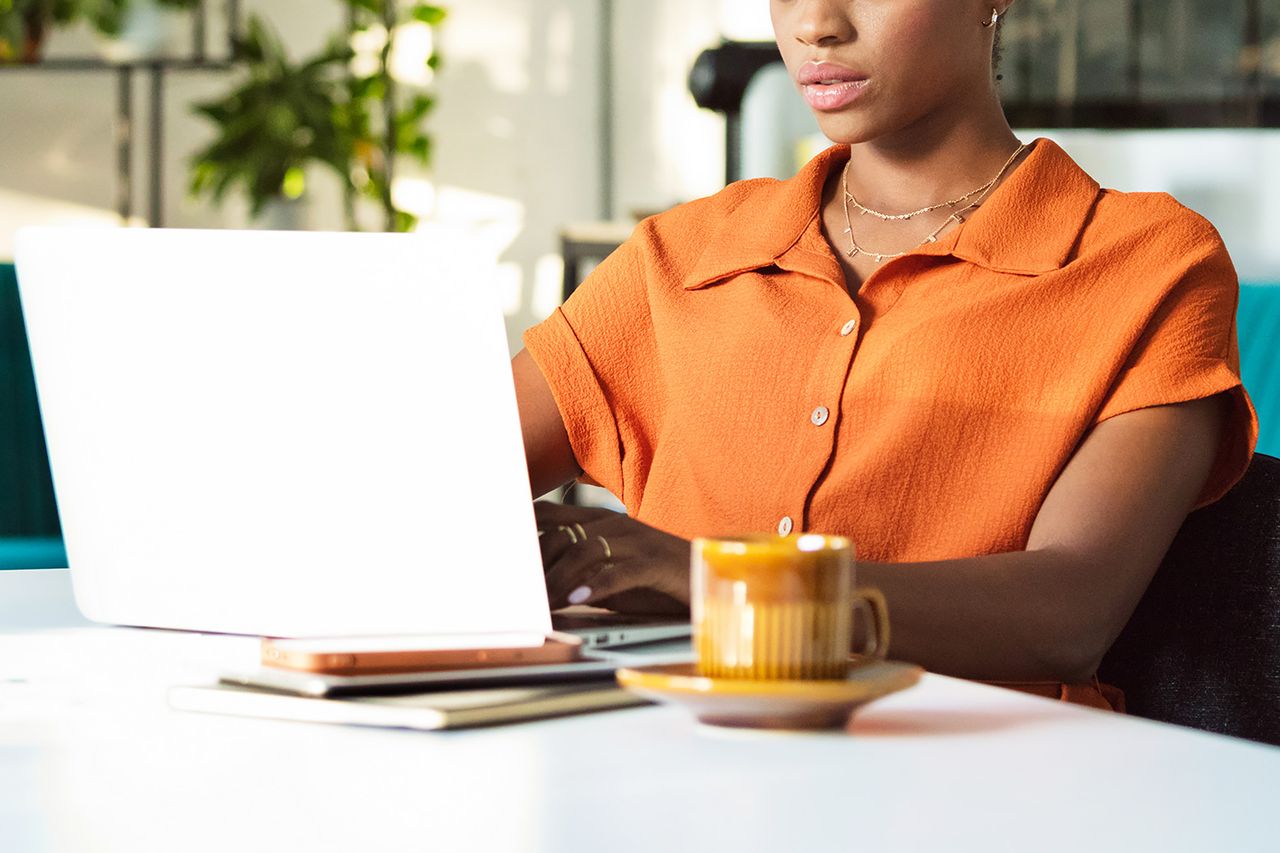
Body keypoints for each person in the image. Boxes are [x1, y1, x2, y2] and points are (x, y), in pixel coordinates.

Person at [511, 0, 1257, 709]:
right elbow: (429, 486)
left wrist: (707, 579)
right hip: (655, 771)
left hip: (988, 794)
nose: (816, 25)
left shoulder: (1150, 265)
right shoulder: (679, 256)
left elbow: (1070, 611)